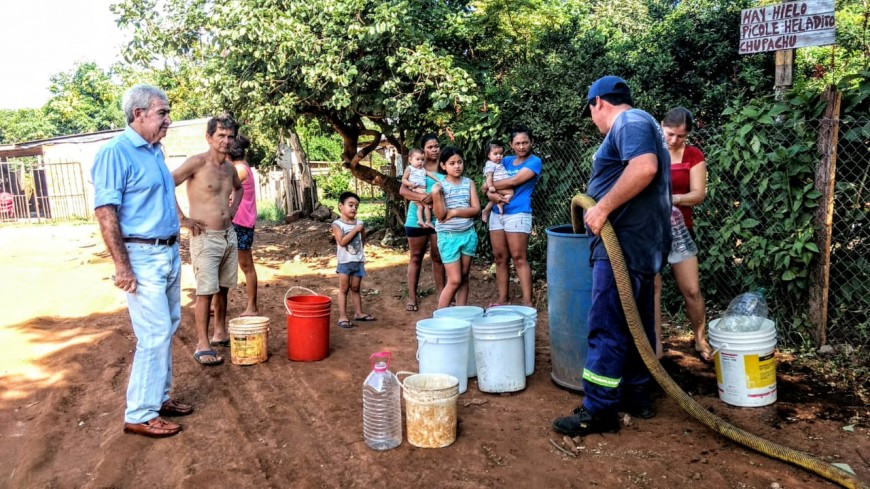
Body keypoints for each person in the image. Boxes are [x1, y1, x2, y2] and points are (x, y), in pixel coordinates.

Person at [552, 76, 671, 437]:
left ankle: (599, 409)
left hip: (622, 243)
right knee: (636, 322)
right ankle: (637, 394)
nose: (593, 120)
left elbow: (644, 167)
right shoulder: (645, 123)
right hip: (642, 244)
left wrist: (601, 208)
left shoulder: (629, 122)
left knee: (606, 325)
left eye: (591, 112)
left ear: (598, 103)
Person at [92, 84, 192, 438]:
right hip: (141, 255)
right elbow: (106, 212)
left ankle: (159, 397)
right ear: (139, 114)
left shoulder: (155, 151)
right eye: (162, 113)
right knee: (154, 333)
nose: (168, 119)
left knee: (169, 326)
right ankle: (140, 413)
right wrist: (122, 266)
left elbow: (163, 197)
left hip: (167, 252)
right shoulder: (115, 153)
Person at [172, 115, 243, 367]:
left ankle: (220, 333)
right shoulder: (197, 163)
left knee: (223, 287)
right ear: (209, 137)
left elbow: (239, 188)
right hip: (205, 237)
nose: (226, 140)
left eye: (230, 136)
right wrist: (183, 219)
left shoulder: (230, 168)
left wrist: (233, 213)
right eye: (221, 135)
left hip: (228, 236)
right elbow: (167, 184)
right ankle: (202, 344)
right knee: (205, 292)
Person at [654, 107, 710, 361]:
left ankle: (700, 339)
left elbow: (699, 194)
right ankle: (655, 344)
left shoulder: (694, 155)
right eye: (670, 134)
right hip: (651, 229)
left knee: (691, 289)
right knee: (653, 286)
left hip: (681, 229)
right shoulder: (652, 151)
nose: (674, 140)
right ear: (661, 127)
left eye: (681, 136)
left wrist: (674, 199)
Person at [484, 126, 542, 307]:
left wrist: (490, 186)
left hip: (518, 213)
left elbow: (514, 181)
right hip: (497, 214)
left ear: (531, 142)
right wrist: (490, 193)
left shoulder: (534, 161)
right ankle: (503, 299)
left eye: (525, 142)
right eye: (517, 143)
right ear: (511, 145)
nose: (522, 146)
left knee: (519, 257)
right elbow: (484, 187)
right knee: (500, 257)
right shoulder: (505, 160)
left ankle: (528, 303)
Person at [399, 133, 446, 312]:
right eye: (430, 147)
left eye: (436, 146)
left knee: (438, 257)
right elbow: (403, 190)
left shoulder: (444, 167)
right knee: (416, 256)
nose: (434, 150)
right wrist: (424, 198)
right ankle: (412, 296)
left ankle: (442, 295)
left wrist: (433, 200)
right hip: (415, 218)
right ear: (423, 150)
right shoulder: (415, 167)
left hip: (439, 218)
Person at [430, 146, 481, 308]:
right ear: (443, 166)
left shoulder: (469, 183)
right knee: (454, 280)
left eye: (460, 162)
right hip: (448, 237)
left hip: (468, 234)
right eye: (452, 163)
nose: (457, 166)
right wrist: (436, 195)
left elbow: (476, 210)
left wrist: (455, 212)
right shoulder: (439, 186)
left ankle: (460, 315)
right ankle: (440, 318)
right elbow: (440, 215)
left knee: (464, 277)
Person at [331, 191, 375, 328]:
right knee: (344, 288)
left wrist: (360, 231)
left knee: (355, 287)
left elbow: (363, 240)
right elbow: (342, 242)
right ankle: (342, 316)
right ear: (340, 206)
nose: (354, 208)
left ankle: (359, 313)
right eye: (350, 205)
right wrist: (355, 230)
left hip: (358, 260)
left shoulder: (359, 223)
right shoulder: (337, 224)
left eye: (356, 206)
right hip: (344, 262)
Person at [228, 135, 260, 317]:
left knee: (246, 265)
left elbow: (222, 187)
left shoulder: (239, 169)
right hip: (237, 222)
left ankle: (252, 307)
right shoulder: (242, 166)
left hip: (241, 223)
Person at [401, 147, 440, 228]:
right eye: (417, 159)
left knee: (420, 206)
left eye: (422, 160)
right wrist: (410, 184)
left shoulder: (422, 169)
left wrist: (437, 180)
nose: (420, 162)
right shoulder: (410, 169)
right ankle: (428, 221)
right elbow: (404, 179)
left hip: (421, 190)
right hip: (416, 190)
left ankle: (420, 220)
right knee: (427, 206)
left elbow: (430, 174)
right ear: (410, 160)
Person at [479, 141, 512, 223]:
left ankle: (486, 210)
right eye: (495, 154)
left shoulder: (498, 163)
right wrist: (490, 187)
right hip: (495, 186)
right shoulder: (490, 164)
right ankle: (501, 203)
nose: (499, 156)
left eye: (501, 154)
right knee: (511, 192)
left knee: (493, 200)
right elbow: (489, 177)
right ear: (488, 155)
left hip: (498, 186)